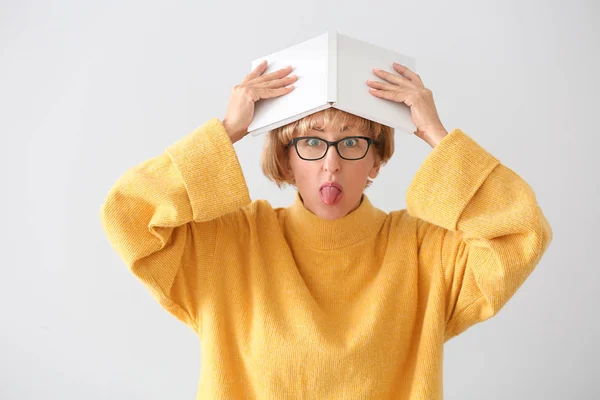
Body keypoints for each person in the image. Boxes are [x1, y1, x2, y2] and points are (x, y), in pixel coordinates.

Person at [100, 60, 553, 399]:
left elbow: (521, 233)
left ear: (377, 159)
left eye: (352, 141)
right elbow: (129, 214)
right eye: (312, 141)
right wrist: (227, 130)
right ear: (285, 158)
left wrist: (435, 133)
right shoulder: (229, 245)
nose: (331, 163)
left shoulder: (424, 252)